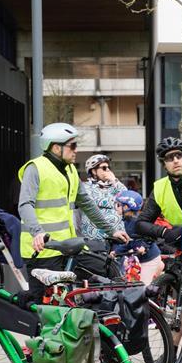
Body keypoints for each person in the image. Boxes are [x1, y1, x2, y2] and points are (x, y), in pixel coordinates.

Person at [18, 123, 129, 300]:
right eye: (72, 146)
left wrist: (111, 230)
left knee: (106, 271)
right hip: (43, 251)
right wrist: (38, 233)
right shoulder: (35, 168)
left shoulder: (70, 169)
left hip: (68, 247)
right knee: (41, 306)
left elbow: (86, 203)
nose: (76, 150)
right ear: (56, 147)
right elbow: (25, 205)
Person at [135, 137, 182, 249]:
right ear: (163, 164)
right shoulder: (160, 187)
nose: (176, 160)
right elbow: (141, 223)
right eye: (169, 158)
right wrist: (165, 232)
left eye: (179, 155)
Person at [114, 190, 163, 284]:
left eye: (118, 205)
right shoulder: (127, 221)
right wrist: (116, 251)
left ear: (127, 207)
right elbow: (132, 241)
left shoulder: (137, 222)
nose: (116, 208)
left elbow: (150, 236)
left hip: (150, 258)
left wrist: (144, 247)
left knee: (142, 288)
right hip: (142, 258)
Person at [77, 154, 125, 247]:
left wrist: (114, 180)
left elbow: (128, 198)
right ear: (94, 171)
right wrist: (116, 202)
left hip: (117, 239)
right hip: (95, 239)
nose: (107, 170)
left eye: (108, 167)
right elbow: (96, 201)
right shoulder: (86, 186)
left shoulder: (113, 185)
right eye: (104, 168)